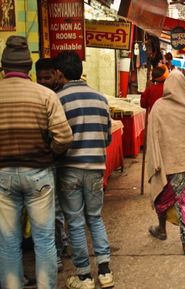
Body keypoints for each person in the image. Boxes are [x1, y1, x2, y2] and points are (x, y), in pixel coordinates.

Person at [0, 35, 73, 289]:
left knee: (8, 241)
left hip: (2, 176)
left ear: (3, 67)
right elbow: (64, 136)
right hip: (39, 173)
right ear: (28, 67)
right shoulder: (45, 95)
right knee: (44, 240)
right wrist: (49, 153)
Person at [54, 51, 114, 289]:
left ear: (59, 73)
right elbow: (107, 138)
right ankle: (105, 271)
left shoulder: (58, 98)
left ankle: (84, 277)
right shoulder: (100, 99)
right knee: (95, 218)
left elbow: (56, 136)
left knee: (76, 223)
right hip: (95, 168)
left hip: (69, 168)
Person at [145, 69, 185, 256]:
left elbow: (152, 136)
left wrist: (155, 161)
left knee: (161, 198)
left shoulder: (158, 107)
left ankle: (162, 229)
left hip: (167, 164)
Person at [35, 57, 69, 272]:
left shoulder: (56, 97)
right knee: (54, 208)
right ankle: (59, 247)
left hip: (53, 161)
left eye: (47, 77)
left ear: (57, 73)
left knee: (56, 208)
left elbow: (62, 136)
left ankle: (59, 248)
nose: (44, 81)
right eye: (40, 78)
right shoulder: (40, 95)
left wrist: (52, 153)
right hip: (46, 162)